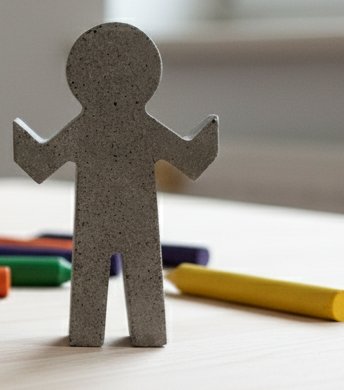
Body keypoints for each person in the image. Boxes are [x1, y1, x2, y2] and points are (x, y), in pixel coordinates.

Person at [13, 22, 218, 347]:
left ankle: (95, 333)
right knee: (125, 273)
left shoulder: (92, 127)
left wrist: (25, 145)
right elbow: (192, 159)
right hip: (124, 222)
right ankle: (124, 332)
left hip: (106, 221)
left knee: (108, 273)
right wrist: (205, 142)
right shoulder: (124, 128)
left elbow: (39, 163)